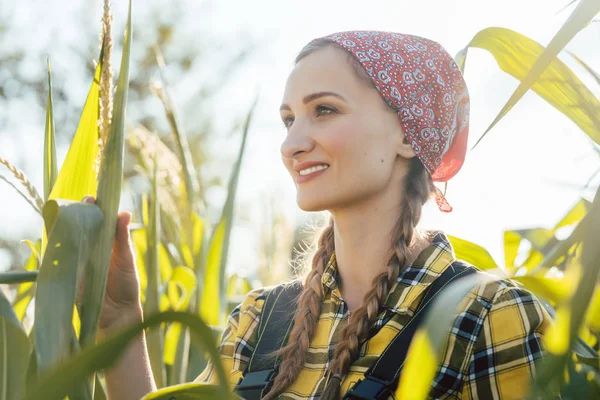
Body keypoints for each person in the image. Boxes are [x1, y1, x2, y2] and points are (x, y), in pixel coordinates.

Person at [93, 30, 551, 400]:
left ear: (408, 135)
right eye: (289, 119)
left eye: (324, 110)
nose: (291, 145)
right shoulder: (258, 320)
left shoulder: (487, 315)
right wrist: (117, 319)